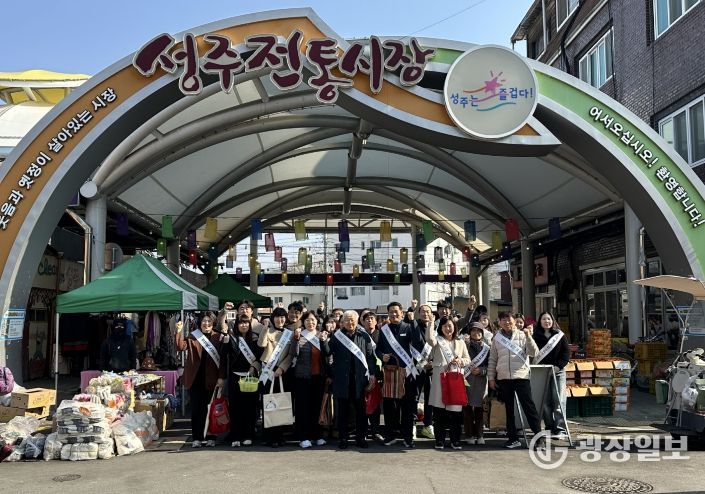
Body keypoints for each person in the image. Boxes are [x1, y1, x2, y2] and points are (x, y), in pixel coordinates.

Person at [321, 310, 376, 449]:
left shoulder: (364, 335)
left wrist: (372, 375)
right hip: (342, 379)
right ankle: (343, 438)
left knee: (360, 411)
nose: (350, 322)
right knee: (342, 411)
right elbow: (328, 352)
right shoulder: (337, 336)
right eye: (347, 320)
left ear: (357, 321)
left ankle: (361, 438)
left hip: (360, 380)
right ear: (342, 322)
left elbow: (370, 357)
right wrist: (323, 341)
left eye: (352, 320)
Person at [488, 312, 543, 449]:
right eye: (503, 320)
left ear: (514, 321)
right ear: (499, 322)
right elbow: (492, 359)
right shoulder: (497, 338)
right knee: (508, 409)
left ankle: (539, 438)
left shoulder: (523, 335)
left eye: (509, 320)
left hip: (521, 376)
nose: (507, 322)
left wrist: (529, 337)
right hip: (504, 378)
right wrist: (491, 378)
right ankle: (513, 438)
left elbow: (534, 353)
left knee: (529, 408)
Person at [376, 301, 424, 448]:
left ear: (402, 313)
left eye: (396, 311)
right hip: (390, 373)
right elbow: (378, 349)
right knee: (390, 407)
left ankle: (408, 438)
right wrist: (382, 356)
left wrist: (413, 321)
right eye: (391, 312)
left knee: (408, 407)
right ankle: (390, 436)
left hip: (407, 373)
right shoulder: (384, 330)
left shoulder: (409, 327)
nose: (394, 314)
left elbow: (418, 343)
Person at [175, 311, 226, 448]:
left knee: (211, 409)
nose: (206, 323)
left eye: (209, 321)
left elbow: (223, 360)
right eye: (204, 321)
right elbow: (180, 346)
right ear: (200, 323)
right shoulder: (194, 336)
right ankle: (197, 438)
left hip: (212, 379)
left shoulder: (218, 337)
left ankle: (211, 437)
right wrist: (178, 332)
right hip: (196, 379)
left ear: (213, 323)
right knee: (197, 410)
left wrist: (221, 377)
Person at [426, 316, 470, 450]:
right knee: (439, 412)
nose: (447, 328)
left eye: (450, 325)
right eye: (444, 326)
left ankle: (455, 440)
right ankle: (439, 440)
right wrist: (431, 323)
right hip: (440, 379)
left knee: (455, 413)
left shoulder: (460, 342)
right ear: (441, 328)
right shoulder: (437, 341)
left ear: (454, 327)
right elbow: (429, 339)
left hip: (455, 379)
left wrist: (460, 361)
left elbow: (467, 359)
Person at [220, 314, 262, 447]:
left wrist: (254, 367)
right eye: (241, 323)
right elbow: (223, 356)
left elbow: (260, 357)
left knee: (250, 407)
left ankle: (248, 435)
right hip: (235, 377)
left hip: (251, 377)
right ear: (237, 325)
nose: (244, 325)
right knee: (235, 408)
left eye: (246, 323)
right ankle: (236, 436)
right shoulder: (231, 338)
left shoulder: (255, 339)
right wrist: (225, 340)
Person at [257, 307, 295, 447]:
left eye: (283, 317)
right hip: (268, 371)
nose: (280, 319)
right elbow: (261, 344)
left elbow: (291, 354)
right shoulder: (268, 331)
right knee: (268, 403)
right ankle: (268, 436)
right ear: (273, 318)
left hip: (282, 372)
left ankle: (279, 436)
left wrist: (282, 368)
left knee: (280, 403)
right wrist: (265, 328)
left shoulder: (289, 334)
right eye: (277, 317)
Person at [291, 311, 327, 448]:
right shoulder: (299, 335)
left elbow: (327, 355)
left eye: (312, 320)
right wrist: (295, 339)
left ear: (317, 322)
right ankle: (303, 436)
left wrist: (324, 341)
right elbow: (293, 353)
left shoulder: (321, 335)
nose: (310, 322)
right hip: (302, 378)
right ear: (303, 322)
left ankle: (317, 435)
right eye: (307, 320)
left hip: (319, 377)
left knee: (317, 407)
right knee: (303, 408)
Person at [532, 311, 570, 439]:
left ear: (553, 321)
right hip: (542, 372)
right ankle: (549, 427)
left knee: (559, 400)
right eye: (544, 319)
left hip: (558, 372)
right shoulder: (535, 336)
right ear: (540, 321)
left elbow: (566, 353)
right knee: (545, 402)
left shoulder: (559, 335)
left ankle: (560, 429)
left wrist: (558, 366)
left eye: (549, 319)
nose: (546, 321)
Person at [464, 322, 490, 445]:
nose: (476, 333)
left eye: (479, 331)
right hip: (466, 380)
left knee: (479, 409)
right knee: (467, 409)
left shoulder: (487, 348)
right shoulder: (465, 345)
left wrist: (482, 370)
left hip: (481, 381)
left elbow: (491, 365)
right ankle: (469, 435)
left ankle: (480, 435)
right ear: (470, 332)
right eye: (473, 330)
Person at [414, 304, 436, 440]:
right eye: (423, 311)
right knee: (414, 397)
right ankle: (413, 425)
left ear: (432, 314)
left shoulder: (436, 327)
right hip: (416, 368)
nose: (425, 314)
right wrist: (423, 363)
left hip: (432, 369)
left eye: (428, 311)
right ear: (419, 313)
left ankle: (428, 425)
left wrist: (432, 363)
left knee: (430, 398)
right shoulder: (413, 326)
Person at [361, 310, 383, 440]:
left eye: (372, 319)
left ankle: (375, 431)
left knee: (375, 403)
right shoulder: (359, 335)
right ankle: (363, 431)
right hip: (362, 373)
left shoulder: (381, 335)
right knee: (362, 403)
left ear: (376, 321)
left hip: (378, 373)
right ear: (362, 322)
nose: (369, 321)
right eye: (366, 319)